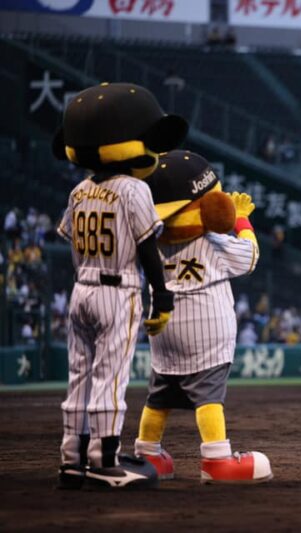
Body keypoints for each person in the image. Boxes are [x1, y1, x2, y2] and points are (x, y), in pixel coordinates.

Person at [52, 83, 185, 489]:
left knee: (79, 376)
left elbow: (70, 240)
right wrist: (160, 296)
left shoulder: (79, 191)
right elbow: (147, 248)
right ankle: (104, 461)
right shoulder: (134, 188)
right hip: (118, 288)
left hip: (82, 288)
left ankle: (71, 458)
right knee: (110, 377)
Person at [133, 151, 271, 484]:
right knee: (208, 396)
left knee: (159, 395)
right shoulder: (212, 243)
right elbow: (251, 255)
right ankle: (217, 459)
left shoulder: (151, 245)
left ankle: (148, 453)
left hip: (163, 332)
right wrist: (240, 219)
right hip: (205, 334)